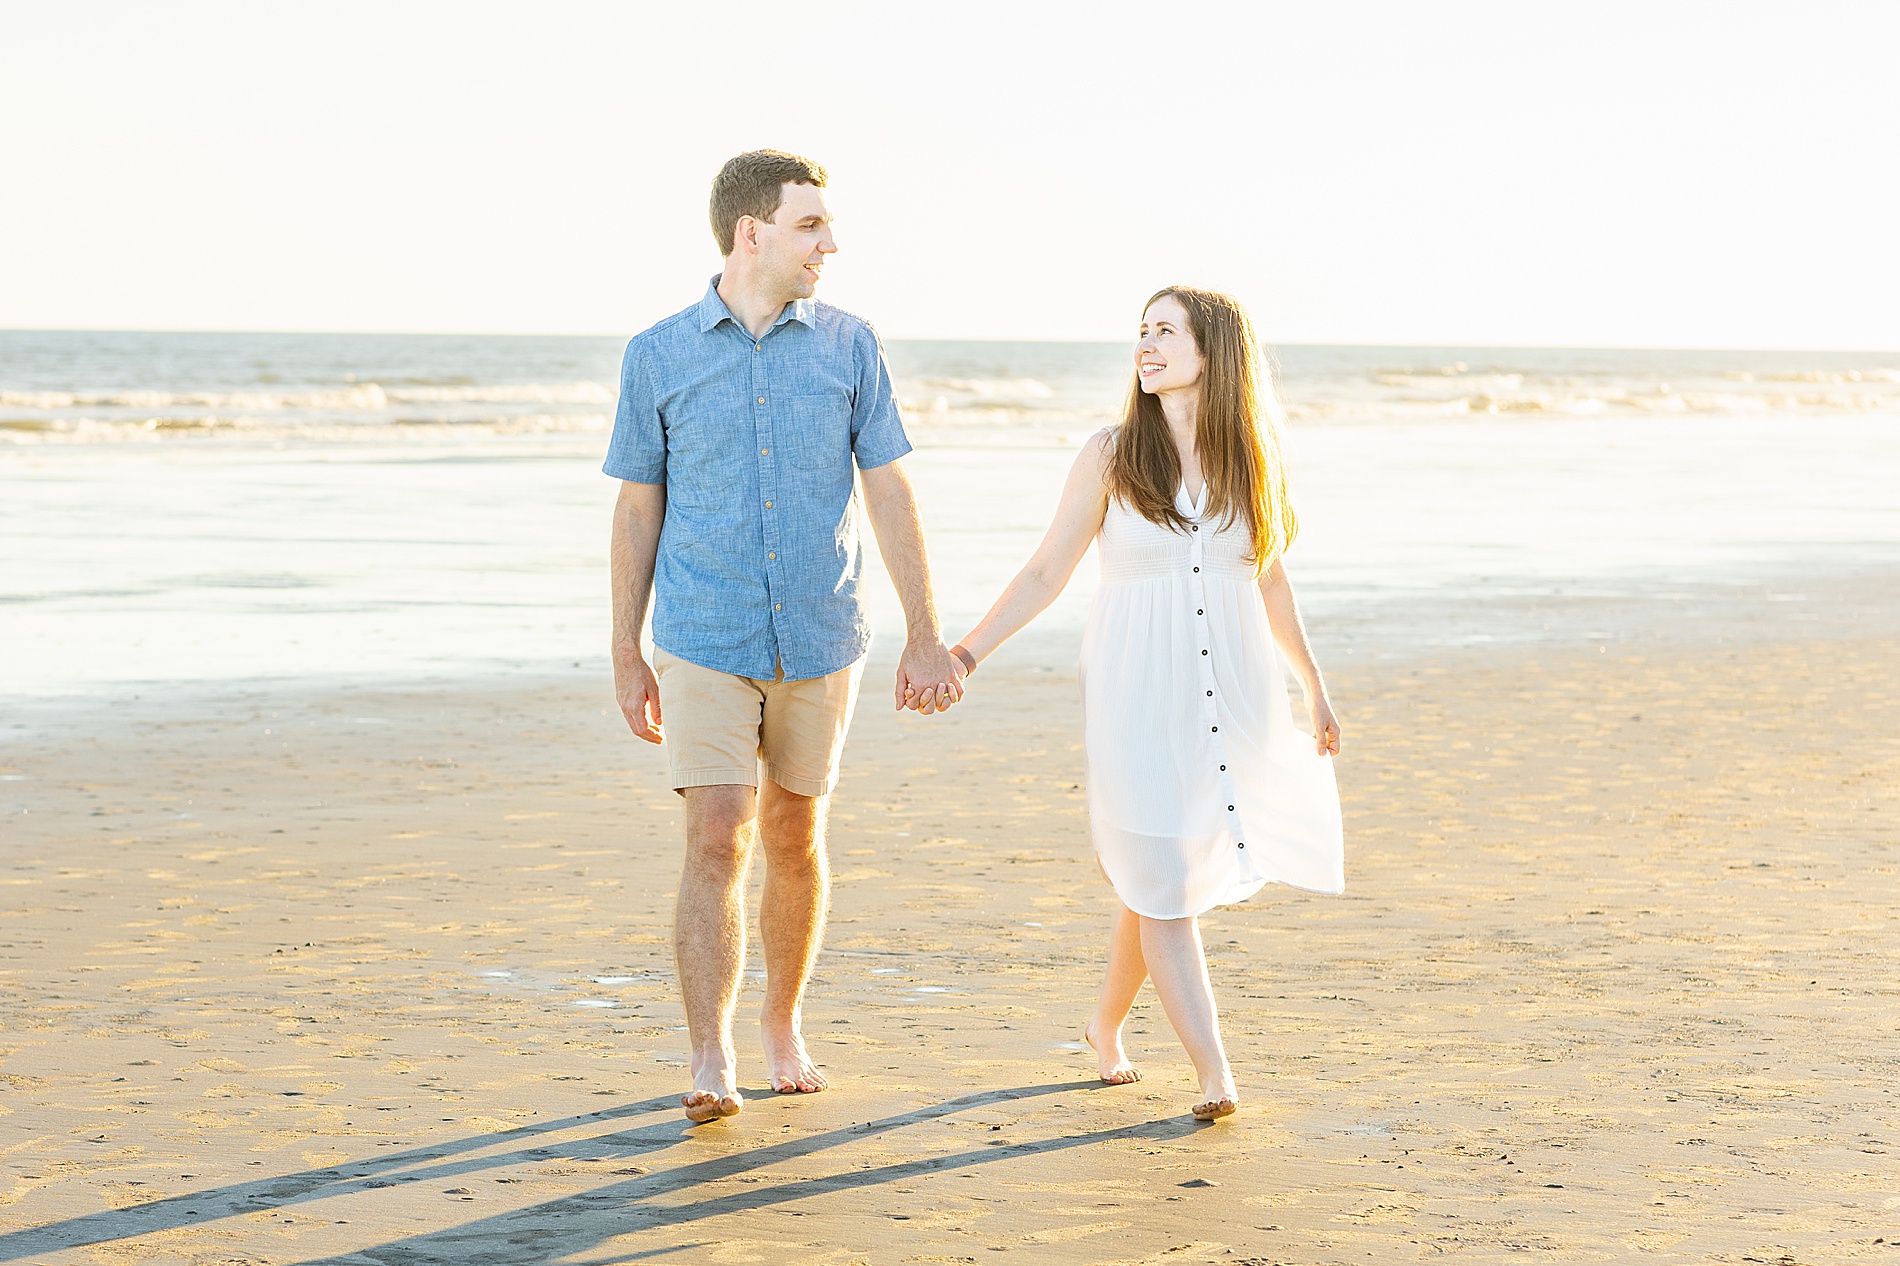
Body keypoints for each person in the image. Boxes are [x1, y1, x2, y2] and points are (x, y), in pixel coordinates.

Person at [605, 150, 967, 1124]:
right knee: (715, 832)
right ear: (750, 232)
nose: (831, 243)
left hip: (820, 632)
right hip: (702, 631)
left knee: (795, 835)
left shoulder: (850, 346)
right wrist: (625, 649)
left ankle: (781, 1021)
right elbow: (639, 508)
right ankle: (708, 1053)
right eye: (811, 225)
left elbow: (889, 487)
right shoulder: (658, 355)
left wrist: (926, 636)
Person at [950, 285, 1344, 1120]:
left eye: (1166, 331)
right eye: (1142, 331)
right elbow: (1046, 570)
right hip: (1134, 691)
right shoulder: (1110, 454)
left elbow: (1270, 579)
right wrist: (965, 653)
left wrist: (1315, 686)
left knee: (1161, 876)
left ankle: (1103, 1027)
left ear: (1215, 351)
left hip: (1225, 692)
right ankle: (1216, 1075)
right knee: (1163, 873)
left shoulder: (1252, 461)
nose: (1146, 344)